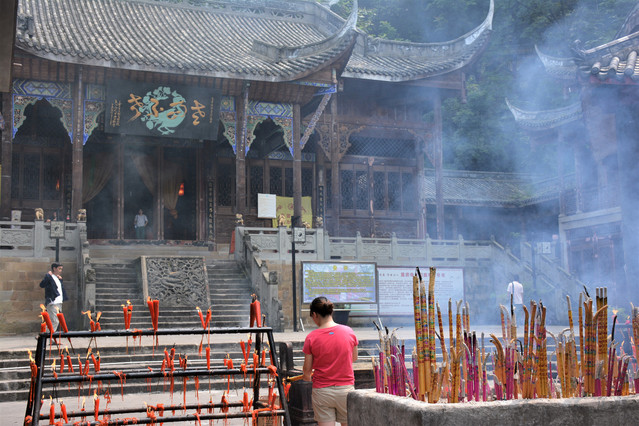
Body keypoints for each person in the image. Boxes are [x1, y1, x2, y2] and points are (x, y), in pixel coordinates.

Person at [302, 297, 359, 426]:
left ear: (315, 315)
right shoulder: (349, 332)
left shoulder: (311, 337)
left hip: (322, 392)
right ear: (330, 312)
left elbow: (307, 371)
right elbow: (353, 358)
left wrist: (307, 377)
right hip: (346, 390)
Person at [39, 263, 67, 331]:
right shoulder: (49, 277)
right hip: (53, 302)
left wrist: (60, 280)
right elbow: (42, 284)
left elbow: (58, 289)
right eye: (59, 269)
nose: (60, 271)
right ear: (54, 268)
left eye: (61, 269)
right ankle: (45, 335)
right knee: (54, 321)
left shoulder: (57, 278)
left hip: (59, 302)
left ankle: (46, 336)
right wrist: (48, 276)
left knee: (55, 321)